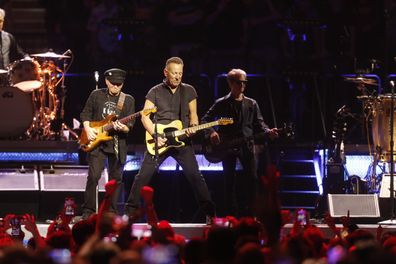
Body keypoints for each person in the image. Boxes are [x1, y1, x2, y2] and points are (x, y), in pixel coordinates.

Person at [124, 56, 215, 222]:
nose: (178, 77)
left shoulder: (189, 91)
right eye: (174, 73)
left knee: (196, 177)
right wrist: (155, 135)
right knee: (142, 177)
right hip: (159, 140)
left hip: (182, 141)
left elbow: (194, 116)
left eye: (180, 73)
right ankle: (128, 214)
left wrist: (193, 128)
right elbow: (145, 117)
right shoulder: (155, 91)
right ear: (166, 72)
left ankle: (210, 213)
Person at [201, 68, 278, 217]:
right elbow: (205, 120)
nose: (242, 85)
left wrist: (268, 131)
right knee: (229, 181)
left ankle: (252, 216)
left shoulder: (251, 104)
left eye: (244, 82)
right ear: (230, 83)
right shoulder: (222, 103)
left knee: (252, 180)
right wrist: (212, 132)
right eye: (239, 82)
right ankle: (230, 216)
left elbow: (260, 123)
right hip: (227, 147)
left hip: (245, 145)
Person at [80, 68, 135, 219]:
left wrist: (123, 127)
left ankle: (110, 212)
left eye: (119, 84)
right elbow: (85, 113)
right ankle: (88, 212)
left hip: (117, 143)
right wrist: (88, 129)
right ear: (106, 81)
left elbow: (130, 124)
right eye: (113, 84)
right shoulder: (96, 95)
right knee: (93, 176)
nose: (116, 87)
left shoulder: (128, 100)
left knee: (115, 180)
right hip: (97, 142)